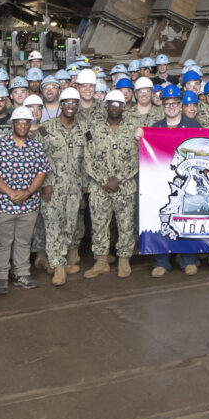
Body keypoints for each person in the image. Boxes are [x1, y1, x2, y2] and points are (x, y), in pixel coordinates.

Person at [0, 112, 48, 295]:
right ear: (12, 124)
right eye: (19, 122)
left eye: (26, 122)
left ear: (30, 125)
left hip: (29, 204)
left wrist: (27, 192)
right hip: (5, 203)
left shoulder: (36, 146)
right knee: (3, 242)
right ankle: (1, 277)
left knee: (23, 241)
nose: (22, 125)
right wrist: (9, 192)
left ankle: (22, 274)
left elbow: (42, 172)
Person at [85, 93, 141, 279]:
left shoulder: (134, 128)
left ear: (124, 106)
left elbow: (139, 157)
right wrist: (104, 180)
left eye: (118, 104)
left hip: (125, 186)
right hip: (99, 188)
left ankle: (124, 259)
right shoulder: (94, 128)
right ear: (106, 106)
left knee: (126, 224)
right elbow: (87, 157)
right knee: (99, 224)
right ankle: (101, 261)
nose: (114, 107)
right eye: (111, 104)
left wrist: (119, 179)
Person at [41, 87, 93, 285]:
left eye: (74, 103)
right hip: (52, 188)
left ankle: (60, 259)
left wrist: (84, 187)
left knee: (69, 227)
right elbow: (40, 159)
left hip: (74, 188)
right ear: (60, 105)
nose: (70, 106)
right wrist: (45, 184)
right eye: (67, 102)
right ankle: (58, 267)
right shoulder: (46, 129)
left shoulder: (84, 129)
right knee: (53, 227)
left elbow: (86, 158)